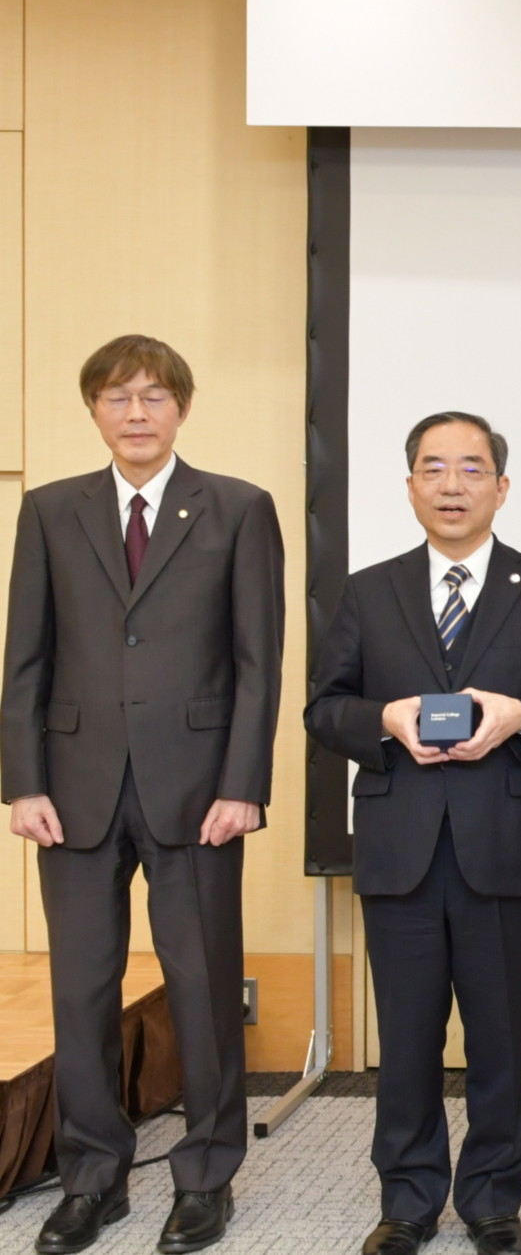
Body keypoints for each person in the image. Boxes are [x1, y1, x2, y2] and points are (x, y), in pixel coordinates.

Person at [2, 336, 283, 1255]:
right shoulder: (50, 510)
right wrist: (23, 783)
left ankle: (205, 1178)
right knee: (82, 990)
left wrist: (243, 785)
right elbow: (25, 658)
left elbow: (258, 663)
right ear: (93, 409)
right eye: (117, 397)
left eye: (154, 396)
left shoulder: (238, 508)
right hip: (73, 789)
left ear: (182, 409)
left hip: (199, 791)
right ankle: (92, 1179)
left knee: (202, 986)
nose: (135, 413)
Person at [306, 412, 521, 1255]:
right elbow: (324, 708)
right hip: (399, 847)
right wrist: (385, 719)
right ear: (409, 486)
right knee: (406, 1039)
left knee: (500, 1036)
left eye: (471, 469)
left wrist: (519, 716)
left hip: (502, 848)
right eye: (433, 469)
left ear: (501, 488)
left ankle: (493, 1200)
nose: (451, 486)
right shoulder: (368, 591)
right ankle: (407, 1201)